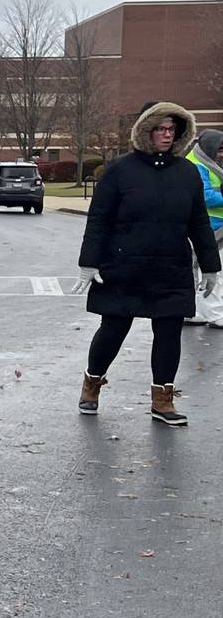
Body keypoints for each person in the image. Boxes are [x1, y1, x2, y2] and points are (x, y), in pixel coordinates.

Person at [72, 102, 220, 426]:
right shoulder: (119, 171)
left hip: (171, 268)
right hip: (124, 266)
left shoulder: (187, 173)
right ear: (145, 131)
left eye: (172, 130)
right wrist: (89, 263)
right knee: (113, 330)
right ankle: (92, 382)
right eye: (160, 129)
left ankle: (162, 401)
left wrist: (211, 265)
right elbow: (99, 220)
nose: (167, 136)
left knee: (168, 332)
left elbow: (198, 222)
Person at [184, 128, 223, 327]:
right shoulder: (198, 165)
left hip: (213, 226)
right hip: (207, 227)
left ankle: (196, 311)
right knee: (211, 271)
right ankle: (212, 313)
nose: (222, 153)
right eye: (220, 149)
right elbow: (206, 196)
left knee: (205, 270)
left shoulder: (207, 162)